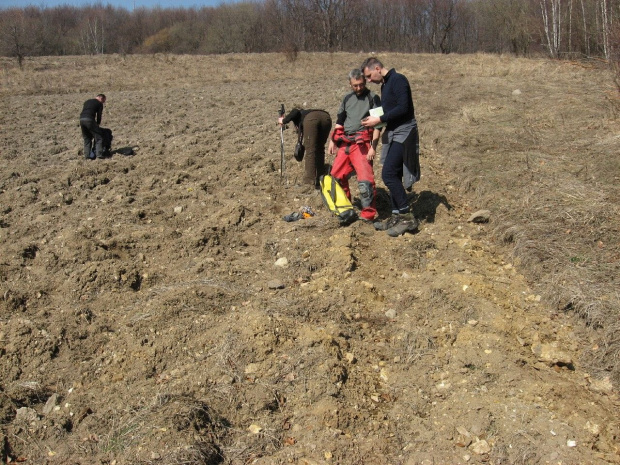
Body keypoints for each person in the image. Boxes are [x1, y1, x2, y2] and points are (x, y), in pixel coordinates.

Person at [361, 57, 421, 237]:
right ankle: (396, 214)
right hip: (393, 131)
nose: (369, 81)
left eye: (369, 76)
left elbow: (404, 108)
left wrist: (379, 119)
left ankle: (407, 217)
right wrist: (372, 120)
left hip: (405, 132)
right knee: (393, 174)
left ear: (378, 68)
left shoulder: (399, 80)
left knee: (387, 174)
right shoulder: (385, 85)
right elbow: (388, 112)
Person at [328, 69, 382, 222]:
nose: (359, 88)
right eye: (355, 86)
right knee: (336, 177)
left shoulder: (373, 98)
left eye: (361, 85)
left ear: (365, 82)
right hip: (345, 142)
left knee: (365, 181)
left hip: (363, 144)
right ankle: (345, 210)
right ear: (350, 84)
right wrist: (333, 140)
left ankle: (368, 215)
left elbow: (379, 125)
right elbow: (340, 121)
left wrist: (373, 146)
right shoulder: (347, 99)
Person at [279, 107, 331, 188]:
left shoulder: (301, 114)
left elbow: (295, 111)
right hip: (326, 118)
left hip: (312, 119)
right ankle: (321, 177)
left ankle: (309, 182)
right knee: (320, 148)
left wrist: (283, 120)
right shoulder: (305, 116)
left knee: (310, 150)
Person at [80, 94, 107, 160]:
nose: (103, 102)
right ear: (101, 98)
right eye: (104, 100)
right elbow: (99, 115)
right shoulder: (99, 103)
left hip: (81, 119)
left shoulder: (87, 101)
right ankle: (99, 155)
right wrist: (97, 124)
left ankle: (87, 156)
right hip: (89, 120)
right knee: (99, 137)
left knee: (87, 138)